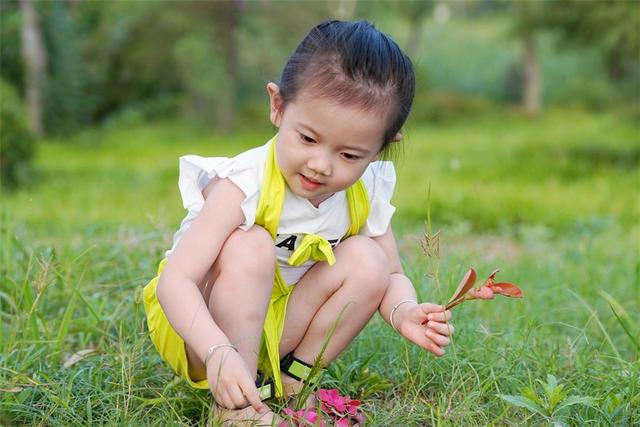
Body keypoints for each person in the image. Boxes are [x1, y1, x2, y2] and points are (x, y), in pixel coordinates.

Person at [143, 20, 454, 425]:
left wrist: (403, 310)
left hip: (276, 323)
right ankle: (234, 407)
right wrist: (217, 351)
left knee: (369, 258)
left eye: (349, 156)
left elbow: (391, 274)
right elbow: (176, 281)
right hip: (200, 331)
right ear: (278, 106)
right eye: (308, 139)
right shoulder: (244, 184)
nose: (321, 166)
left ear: (380, 148)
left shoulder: (365, 191)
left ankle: (293, 383)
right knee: (249, 244)